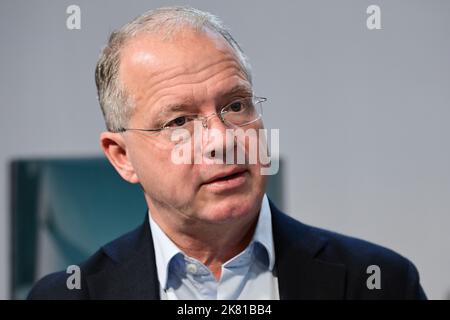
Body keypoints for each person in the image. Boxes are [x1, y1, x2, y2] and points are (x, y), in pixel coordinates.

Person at [28, 6, 426, 300]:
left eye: (235, 106)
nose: (222, 139)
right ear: (122, 157)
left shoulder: (379, 283)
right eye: (179, 121)